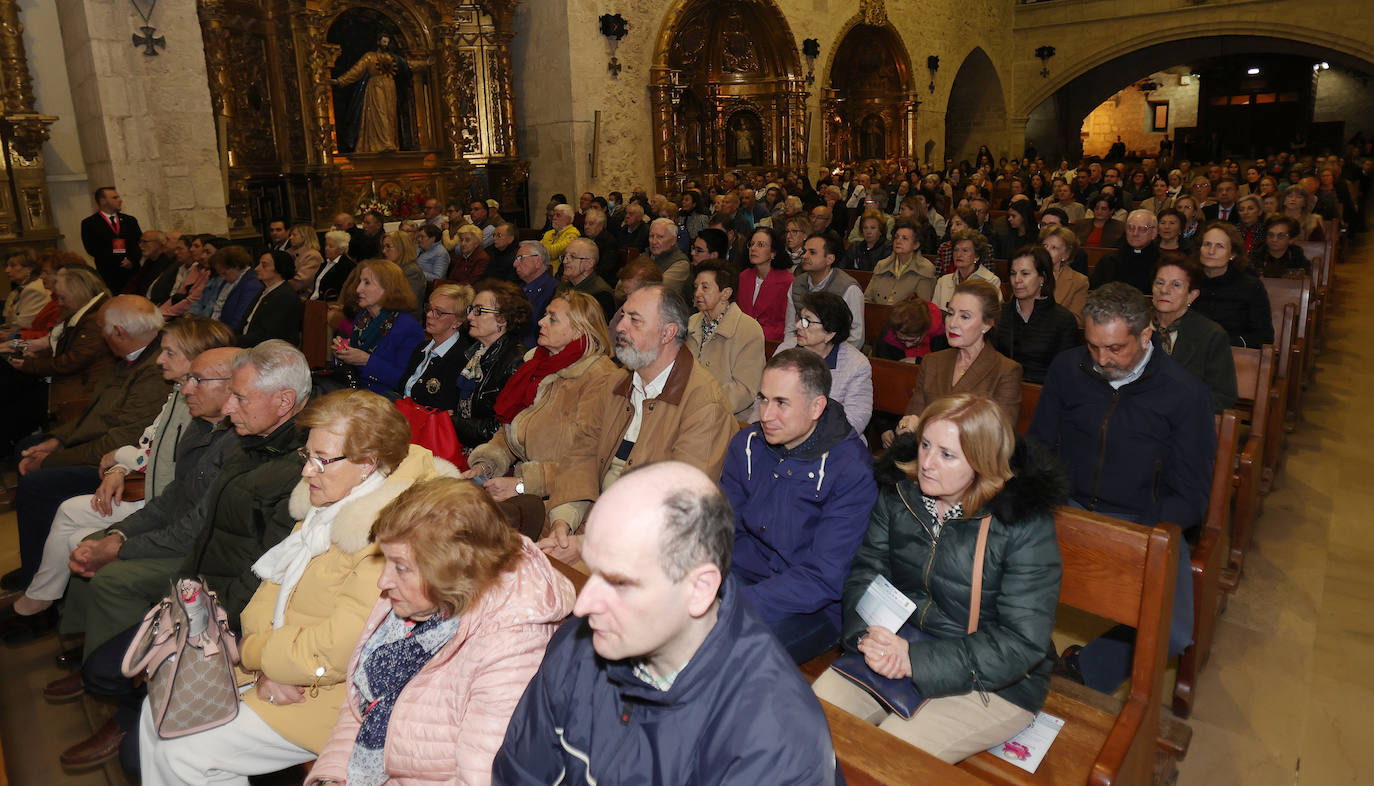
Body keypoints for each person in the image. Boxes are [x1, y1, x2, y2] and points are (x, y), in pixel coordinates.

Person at [137, 389, 456, 785]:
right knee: (160, 717)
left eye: (322, 460)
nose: (307, 472)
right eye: (307, 456)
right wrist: (259, 659)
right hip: (283, 667)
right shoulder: (329, 504)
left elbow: (342, 648)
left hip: (336, 698)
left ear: (368, 463)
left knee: (181, 750)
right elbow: (269, 591)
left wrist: (256, 656)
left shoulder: (389, 534)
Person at [492, 462, 838, 784]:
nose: (583, 605)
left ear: (699, 589)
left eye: (620, 582)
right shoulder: (578, 645)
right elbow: (518, 775)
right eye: (593, 571)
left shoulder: (778, 738)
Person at [53, 341, 312, 768]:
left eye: (240, 397)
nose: (228, 408)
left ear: (283, 402)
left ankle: (141, 716)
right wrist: (180, 598)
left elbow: (270, 573)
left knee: (134, 744)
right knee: (102, 669)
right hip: (197, 597)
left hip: (229, 619)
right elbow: (201, 525)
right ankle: (144, 708)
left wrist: (208, 630)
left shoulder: (299, 471)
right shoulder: (249, 442)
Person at [813, 393, 1064, 763]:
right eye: (925, 444)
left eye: (947, 454)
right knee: (810, 723)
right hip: (897, 641)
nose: (927, 463)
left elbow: (1022, 643)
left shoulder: (1021, 525)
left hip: (994, 680)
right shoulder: (901, 494)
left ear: (981, 460)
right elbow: (867, 570)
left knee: (888, 758)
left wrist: (917, 660)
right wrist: (870, 635)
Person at [305, 477, 575, 786]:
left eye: (400, 566)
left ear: (455, 569)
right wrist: (331, 775)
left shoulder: (511, 650)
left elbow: (478, 779)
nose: (383, 582)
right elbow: (363, 703)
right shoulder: (420, 599)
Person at [1031, 283, 1214, 694]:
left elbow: (1191, 493)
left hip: (1139, 518)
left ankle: (1085, 668)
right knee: (987, 556)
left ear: (1146, 335)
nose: (1101, 359)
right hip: (1068, 504)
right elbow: (1039, 445)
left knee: (1173, 627)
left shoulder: (1184, 393)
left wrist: (1139, 535)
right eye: (1093, 346)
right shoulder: (1067, 368)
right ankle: (1030, 651)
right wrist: (1044, 500)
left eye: (1115, 349)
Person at [535, 286, 737, 566]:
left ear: (667, 333)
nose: (620, 327)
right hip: (593, 516)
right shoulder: (617, 382)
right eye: (622, 316)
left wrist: (585, 544)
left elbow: (677, 507)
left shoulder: (704, 403)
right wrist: (564, 521)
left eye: (635, 320)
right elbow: (582, 454)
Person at [4, 297, 172, 596]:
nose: (102, 338)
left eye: (104, 331)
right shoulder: (133, 355)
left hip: (125, 464)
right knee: (30, 446)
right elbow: (95, 413)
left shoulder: (155, 367)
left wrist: (50, 460)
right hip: (106, 447)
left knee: (38, 482)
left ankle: (37, 579)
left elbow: (121, 439)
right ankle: (38, 558)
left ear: (118, 332)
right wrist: (58, 441)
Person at [723, 349, 876, 663]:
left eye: (781, 403)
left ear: (816, 406)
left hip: (813, 605)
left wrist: (736, 602)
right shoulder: (747, 445)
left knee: (730, 651)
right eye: (763, 398)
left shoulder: (851, 471)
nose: (765, 415)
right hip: (745, 575)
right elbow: (723, 528)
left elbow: (824, 578)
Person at [465, 291, 618, 538]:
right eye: (545, 314)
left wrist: (523, 484)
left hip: (563, 507)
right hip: (521, 493)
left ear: (579, 330)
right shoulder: (537, 363)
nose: (540, 322)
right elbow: (510, 428)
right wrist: (486, 465)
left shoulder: (600, 378)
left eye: (552, 318)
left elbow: (587, 463)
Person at [886, 280, 1022, 446]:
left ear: (987, 324)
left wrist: (922, 427)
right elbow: (912, 417)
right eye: (950, 313)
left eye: (964, 316)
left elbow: (1000, 438)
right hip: (926, 458)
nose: (952, 323)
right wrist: (904, 427)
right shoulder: (932, 362)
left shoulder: (1006, 371)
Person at [777, 289, 873, 436]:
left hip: (834, 444)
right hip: (782, 433)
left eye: (807, 321)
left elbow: (855, 420)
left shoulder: (856, 365)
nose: (798, 326)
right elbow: (764, 398)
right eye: (799, 318)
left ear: (830, 333)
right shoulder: (785, 350)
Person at [447, 279, 527, 449]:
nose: (469, 316)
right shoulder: (476, 353)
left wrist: (451, 422)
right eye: (471, 309)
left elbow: (498, 430)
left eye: (479, 311)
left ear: (503, 319)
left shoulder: (516, 363)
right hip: (462, 444)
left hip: (487, 456)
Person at [1151, 257, 1238, 412]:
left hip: (1182, 421)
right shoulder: (1135, 326)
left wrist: (1176, 408)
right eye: (1160, 282)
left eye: (1176, 285)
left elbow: (1224, 397)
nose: (1164, 290)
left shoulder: (1211, 335)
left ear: (1191, 296)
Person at [686, 260, 766, 422]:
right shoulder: (692, 323)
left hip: (729, 417)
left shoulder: (748, 329)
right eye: (696, 287)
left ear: (726, 293)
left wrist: (702, 404)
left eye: (705, 287)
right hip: (689, 410)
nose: (697, 293)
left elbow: (744, 390)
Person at [333, 259, 424, 393]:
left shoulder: (408, 327)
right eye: (360, 281)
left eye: (367, 283)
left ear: (388, 288)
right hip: (354, 390)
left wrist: (366, 361)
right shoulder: (363, 318)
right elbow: (352, 366)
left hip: (384, 399)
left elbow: (405, 379)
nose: (358, 289)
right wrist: (343, 351)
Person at [994, 245, 1079, 384]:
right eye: (1013, 273)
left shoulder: (1063, 320)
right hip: (1001, 389)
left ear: (1042, 278)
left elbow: (1064, 373)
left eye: (1025, 273)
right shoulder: (1000, 313)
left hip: (1042, 394)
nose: (1017, 280)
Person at [1191, 221, 1274, 348]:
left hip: (1232, 354)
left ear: (1233, 254)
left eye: (1220, 246)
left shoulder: (1250, 286)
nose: (1211, 251)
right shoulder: (1188, 280)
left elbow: (1264, 336)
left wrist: (1225, 344)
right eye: (1207, 244)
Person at [784, 234, 863, 349]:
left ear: (829, 259)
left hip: (835, 355)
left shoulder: (849, 288)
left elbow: (856, 337)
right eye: (805, 251)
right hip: (801, 351)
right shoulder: (797, 284)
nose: (805, 256)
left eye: (812, 252)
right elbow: (790, 328)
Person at [736, 226, 794, 343]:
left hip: (771, 342)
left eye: (760, 245)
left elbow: (787, 324)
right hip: (741, 339)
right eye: (751, 244)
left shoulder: (787, 282)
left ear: (773, 253)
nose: (753, 248)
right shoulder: (744, 277)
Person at [80, 187, 143, 292]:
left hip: (132, 272)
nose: (120, 200)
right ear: (103, 201)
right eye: (115, 197)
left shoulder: (130, 220)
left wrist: (132, 260)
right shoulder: (89, 223)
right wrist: (118, 261)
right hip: (109, 274)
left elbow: (140, 243)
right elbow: (92, 249)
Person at [238, 250, 304, 348]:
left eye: (264, 265)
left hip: (270, 351)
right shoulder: (265, 291)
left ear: (279, 268)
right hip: (251, 345)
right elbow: (244, 323)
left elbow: (268, 335)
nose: (257, 268)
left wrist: (234, 341)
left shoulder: (285, 296)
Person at [865, 220, 937, 306]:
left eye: (904, 238)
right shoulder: (882, 265)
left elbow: (922, 308)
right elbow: (867, 299)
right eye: (896, 237)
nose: (898, 241)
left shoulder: (925, 269)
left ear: (916, 244)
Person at [1089, 209, 1160, 294]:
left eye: (1142, 229)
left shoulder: (1162, 263)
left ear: (1154, 233)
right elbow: (1095, 292)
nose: (1135, 233)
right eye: (1131, 228)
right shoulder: (1109, 261)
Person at [931, 229, 1001, 312]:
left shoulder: (991, 281)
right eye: (956, 250)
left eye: (965, 250)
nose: (959, 255)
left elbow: (991, 317)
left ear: (977, 256)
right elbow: (934, 315)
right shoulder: (943, 282)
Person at [1039, 225, 1089, 323]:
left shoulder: (1078, 281)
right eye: (1045, 245)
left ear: (1066, 254)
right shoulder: (1027, 273)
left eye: (1054, 248)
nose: (1046, 251)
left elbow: (1077, 320)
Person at [513, 241, 560, 347]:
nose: (515, 264)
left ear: (538, 261)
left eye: (520, 258)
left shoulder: (553, 291)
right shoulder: (519, 288)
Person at [872, 297, 944, 363]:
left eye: (912, 340)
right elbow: (882, 365)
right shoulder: (888, 337)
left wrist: (919, 361)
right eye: (902, 340)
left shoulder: (940, 334)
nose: (908, 345)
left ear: (924, 331)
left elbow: (944, 364)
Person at [561, 237, 616, 319]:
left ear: (589, 264)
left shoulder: (601, 295)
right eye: (565, 256)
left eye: (573, 256)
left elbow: (594, 329)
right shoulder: (562, 287)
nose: (565, 261)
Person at [2, 248, 49, 334]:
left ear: (30, 268)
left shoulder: (34, 289)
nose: (7, 270)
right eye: (7, 266)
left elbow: (23, 324)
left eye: (13, 266)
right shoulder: (20, 289)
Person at [310, 231, 356, 303]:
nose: (326, 248)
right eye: (326, 245)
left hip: (330, 305)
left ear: (341, 249)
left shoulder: (347, 266)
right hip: (314, 302)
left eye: (331, 246)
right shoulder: (325, 263)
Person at [541, 204, 581, 272]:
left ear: (568, 219)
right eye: (554, 215)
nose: (554, 218)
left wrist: (542, 250)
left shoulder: (574, 234)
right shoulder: (549, 233)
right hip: (542, 270)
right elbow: (537, 249)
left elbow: (554, 252)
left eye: (558, 215)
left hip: (559, 275)